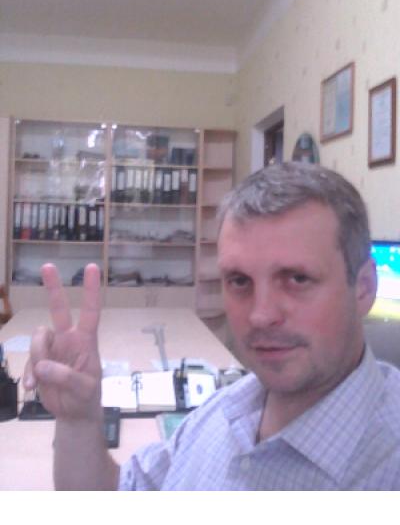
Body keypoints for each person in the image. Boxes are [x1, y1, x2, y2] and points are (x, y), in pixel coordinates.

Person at [23, 162, 400, 490]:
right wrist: (79, 419)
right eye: (239, 281)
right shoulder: (224, 407)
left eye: (297, 279)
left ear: (364, 288)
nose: (260, 315)